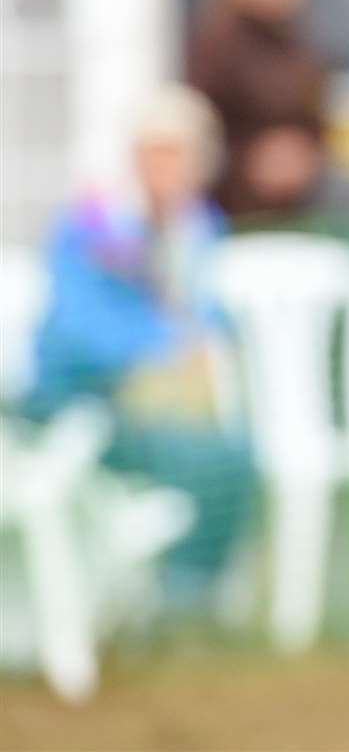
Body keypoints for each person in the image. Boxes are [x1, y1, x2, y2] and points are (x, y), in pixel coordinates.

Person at [21, 85, 256, 609]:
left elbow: (205, 310)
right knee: (211, 455)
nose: (165, 167)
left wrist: (199, 345)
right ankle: (180, 597)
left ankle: (189, 590)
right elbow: (73, 327)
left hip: (157, 402)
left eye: (178, 153)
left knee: (234, 451)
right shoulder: (91, 224)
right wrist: (164, 347)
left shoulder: (197, 229)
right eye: (154, 151)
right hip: (76, 399)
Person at [187, 0, 328, 220]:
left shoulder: (300, 43)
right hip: (230, 208)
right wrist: (250, 163)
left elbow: (318, 121)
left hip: (294, 207)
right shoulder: (218, 42)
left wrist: (305, 157)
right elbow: (199, 128)